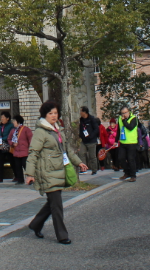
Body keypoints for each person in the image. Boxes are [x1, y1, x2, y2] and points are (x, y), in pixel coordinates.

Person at [26, 101, 88, 244]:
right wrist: (30, 174)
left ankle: (35, 224)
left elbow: (66, 150)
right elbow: (33, 153)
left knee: (52, 204)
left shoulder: (57, 130)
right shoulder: (40, 132)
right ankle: (62, 235)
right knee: (57, 205)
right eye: (50, 113)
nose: (54, 116)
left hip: (58, 171)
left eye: (55, 113)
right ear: (44, 115)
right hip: (47, 172)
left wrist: (78, 162)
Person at [8, 115, 33, 185]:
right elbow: (9, 139)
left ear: (18, 121)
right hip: (16, 152)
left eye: (14, 121)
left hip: (24, 152)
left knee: (26, 166)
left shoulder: (26, 129)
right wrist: (12, 144)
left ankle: (30, 179)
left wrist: (30, 149)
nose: (13, 122)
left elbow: (30, 139)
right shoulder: (13, 130)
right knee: (17, 167)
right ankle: (20, 179)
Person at [116, 106, 139, 182]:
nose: (124, 115)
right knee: (121, 158)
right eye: (122, 113)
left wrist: (124, 121)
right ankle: (126, 172)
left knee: (130, 159)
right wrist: (116, 140)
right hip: (123, 141)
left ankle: (133, 175)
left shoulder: (134, 118)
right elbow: (119, 130)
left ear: (128, 112)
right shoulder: (120, 118)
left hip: (132, 142)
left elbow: (130, 127)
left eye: (125, 113)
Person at [78, 107, 99, 175]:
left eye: (81, 111)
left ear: (85, 112)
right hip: (84, 140)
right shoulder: (81, 120)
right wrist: (81, 136)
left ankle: (94, 169)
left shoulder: (92, 119)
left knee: (92, 156)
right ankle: (83, 168)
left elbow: (96, 129)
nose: (80, 113)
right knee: (81, 153)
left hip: (91, 141)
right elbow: (81, 129)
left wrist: (91, 136)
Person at [0, 111, 14, 183]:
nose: (1, 119)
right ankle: (0, 178)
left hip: (8, 146)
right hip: (0, 147)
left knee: (12, 161)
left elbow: (10, 135)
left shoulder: (11, 126)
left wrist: (2, 139)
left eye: (3, 117)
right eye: (1, 117)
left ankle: (16, 176)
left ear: (7, 118)